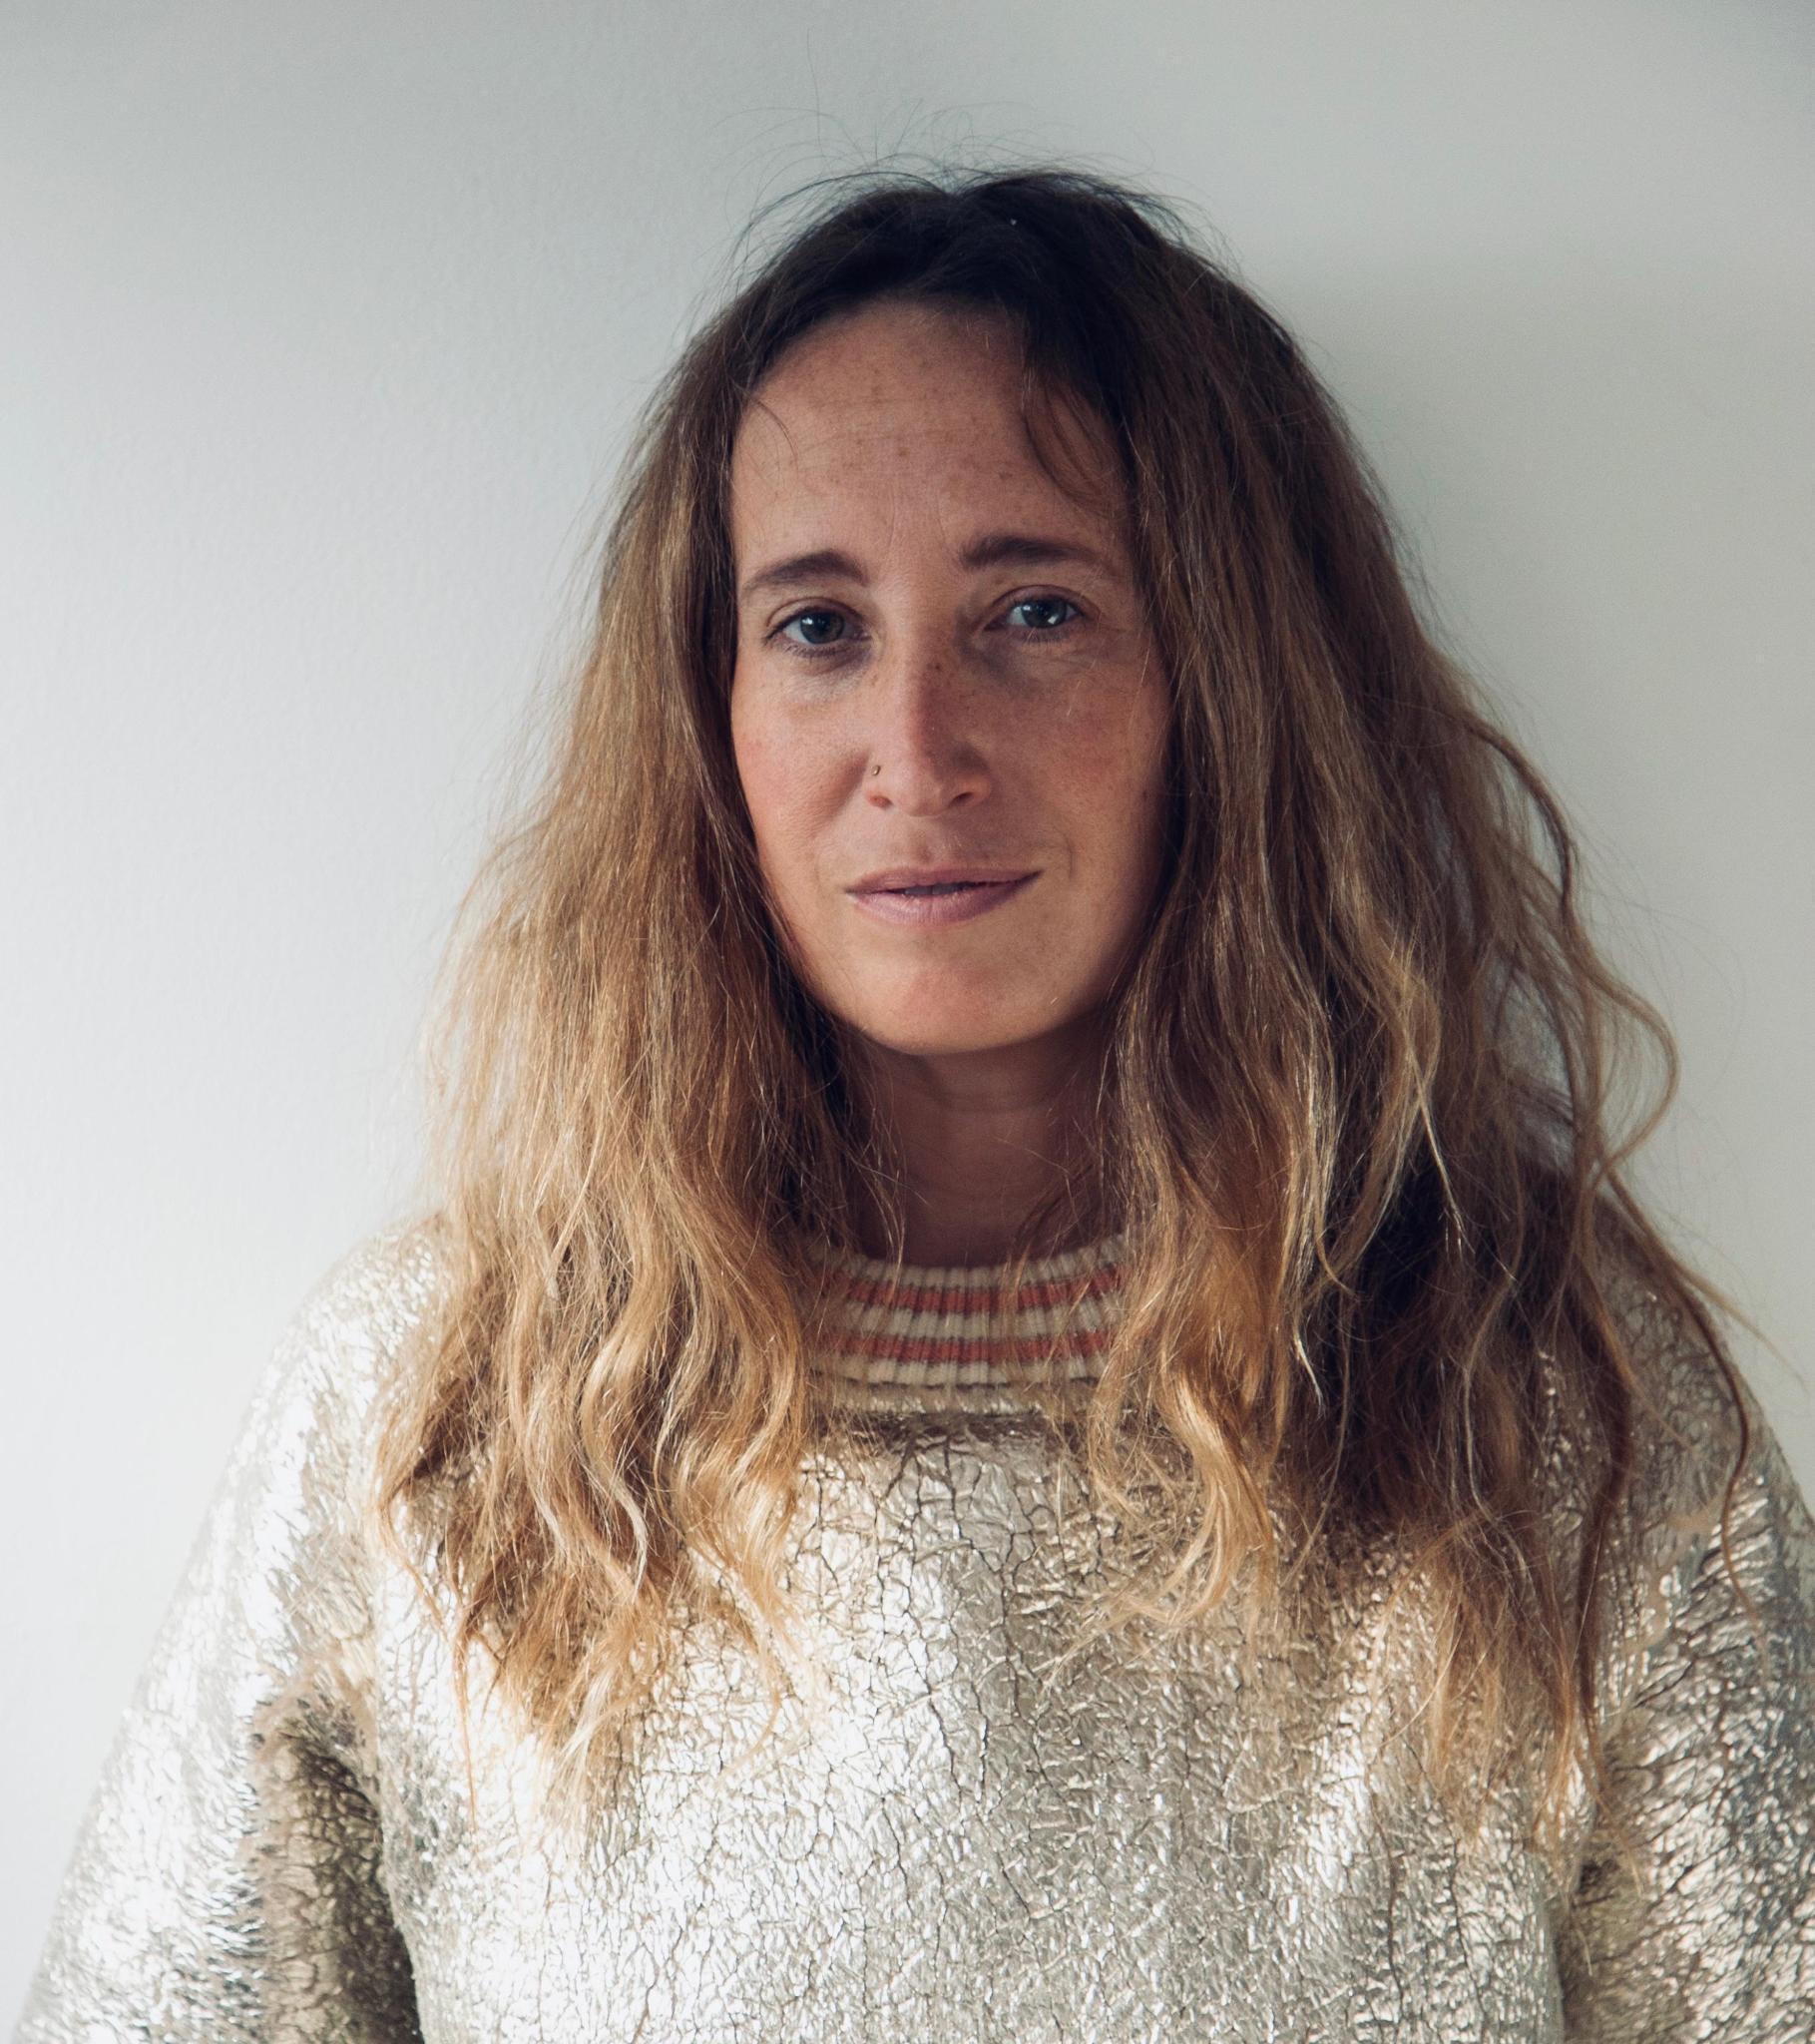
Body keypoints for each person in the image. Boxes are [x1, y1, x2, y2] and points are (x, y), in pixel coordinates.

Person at [15, 163, 1813, 2043]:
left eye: (1035, 611)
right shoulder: (444, 1415)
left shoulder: (1541, 1404)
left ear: (1232, 685)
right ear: (710, 718)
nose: (917, 749)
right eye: (817, 626)